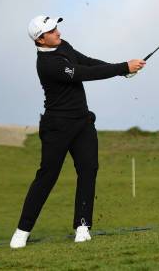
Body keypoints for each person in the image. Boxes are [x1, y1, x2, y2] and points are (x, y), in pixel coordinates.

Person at [10, 15, 145, 248]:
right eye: (52, 31)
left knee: (88, 169)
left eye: (56, 28)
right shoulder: (48, 64)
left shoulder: (63, 45)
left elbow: (87, 62)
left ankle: (82, 226)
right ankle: (22, 230)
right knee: (47, 176)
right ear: (40, 40)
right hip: (57, 127)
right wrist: (123, 67)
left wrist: (123, 71)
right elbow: (84, 74)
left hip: (82, 122)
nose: (58, 33)